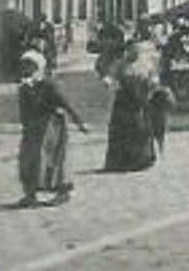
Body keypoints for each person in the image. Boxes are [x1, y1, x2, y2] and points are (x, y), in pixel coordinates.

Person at [15, 50, 88, 207]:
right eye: (25, 66)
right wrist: (25, 125)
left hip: (51, 128)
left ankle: (62, 192)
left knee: (53, 160)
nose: (27, 69)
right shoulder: (23, 88)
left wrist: (79, 122)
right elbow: (24, 110)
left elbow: (65, 104)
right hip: (33, 129)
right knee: (28, 160)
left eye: (31, 66)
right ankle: (30, 194)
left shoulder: (49, 85)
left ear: (39, 67)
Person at [103, 42, 160, 173]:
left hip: (141, 98)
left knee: (141, 128)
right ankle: (120, 161)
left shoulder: (146, 64)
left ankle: (142, 159)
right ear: (127, 51)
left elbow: (154, 77)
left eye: (136, 51)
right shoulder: (120, 63)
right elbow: (110, 76)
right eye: (131, 51)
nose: (133, 54)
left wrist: (153, 83)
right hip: (124, 99)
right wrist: (108, 81)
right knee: (122, 129)